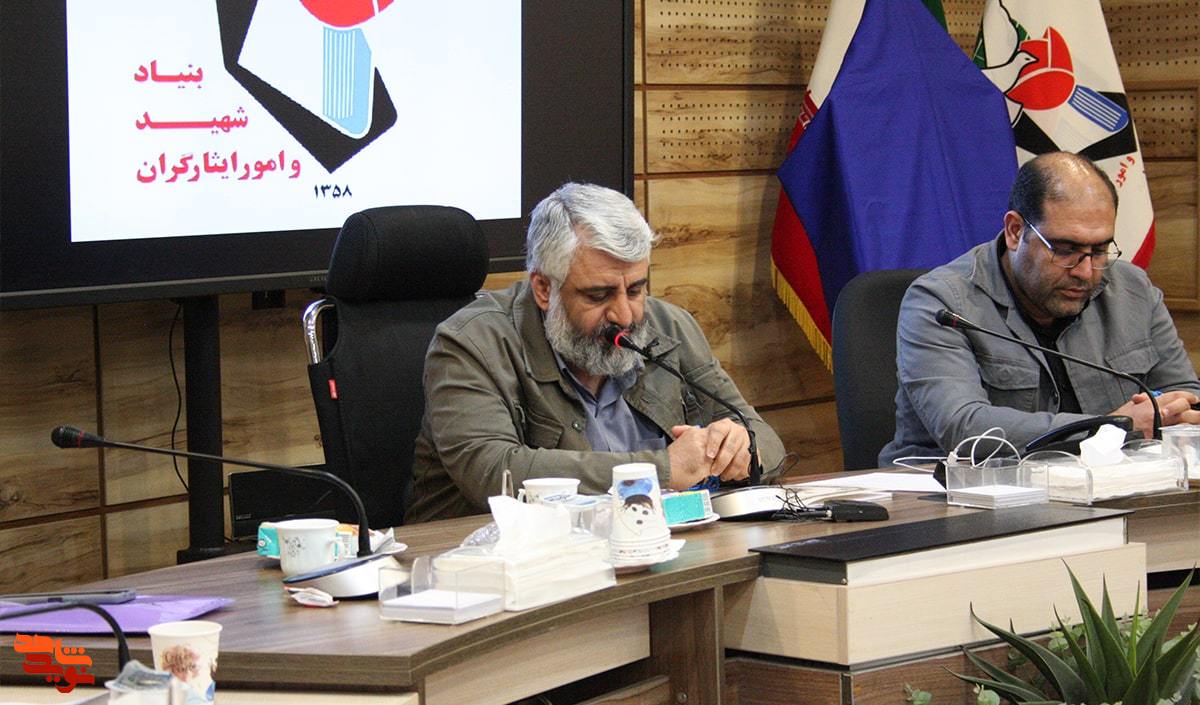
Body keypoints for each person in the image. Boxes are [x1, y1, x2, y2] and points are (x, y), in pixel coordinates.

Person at [407, 183, 785, 521]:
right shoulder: (471, 344)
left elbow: (767, 442)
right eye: (598, 295)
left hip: (649, 548)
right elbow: (494, 472)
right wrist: (663, 469)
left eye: (635, 290)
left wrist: (739, 449)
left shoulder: (669, 326)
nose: (624, 315)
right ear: (544, 289)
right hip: (484, 563)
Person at [880, 151, 1200, 465]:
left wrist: (1174, 412)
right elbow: (963, 427)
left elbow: (1185, 394)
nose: (1085, 271)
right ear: (1015, 231)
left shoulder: (1133, 290)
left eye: (1099, 250)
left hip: (1108, 483)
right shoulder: (942, 302)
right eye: (1066, 250)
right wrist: (1112, 428)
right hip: (958, 488)